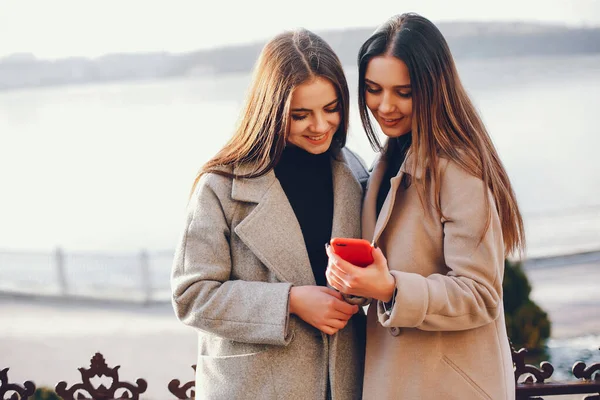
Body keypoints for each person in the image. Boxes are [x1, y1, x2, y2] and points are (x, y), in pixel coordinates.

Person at [325, 13, 525, 400]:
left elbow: (481, 294)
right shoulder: (388, 159)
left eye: (404, 91)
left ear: (434, 88)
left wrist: (390, 288)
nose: (385, 106)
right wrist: (355, 283)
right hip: (401, 376)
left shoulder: (460, 167)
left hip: (450, 383)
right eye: (373, 89)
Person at [171, 29, 367, 400]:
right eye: (301, 115)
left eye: (331, 108)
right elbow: (191, 295)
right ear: (271, 110)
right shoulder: (220, 186)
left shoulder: (354, 174)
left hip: (344, 383)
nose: (321, 126)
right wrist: (290, 301)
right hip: (256, 387)